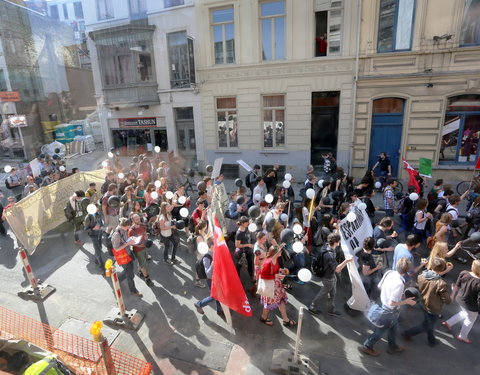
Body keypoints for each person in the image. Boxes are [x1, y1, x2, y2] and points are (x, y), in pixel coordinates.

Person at [359, 257, 416, 356]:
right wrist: (406, 301)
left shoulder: (389, 273)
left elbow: (380, 286)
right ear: (406, 271)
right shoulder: (400, 284)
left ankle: (393, 346)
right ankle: (367, 346)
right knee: (380, 331)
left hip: (383, 304)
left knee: (393, 327)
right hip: (389, 311)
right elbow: (391, 303)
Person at [402, 258, 452, 346]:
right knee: (427, 325)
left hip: (423, 302)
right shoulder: (441, 283)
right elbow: (447, 301)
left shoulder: (422, 275)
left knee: (429, 323)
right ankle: (407, 333)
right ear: (442, 269)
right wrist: (454, 291)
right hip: (433, 308)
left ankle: (431, 340)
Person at [308, 233, 353, 316]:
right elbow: (337, 269)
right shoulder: (330, 256)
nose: (340, 242)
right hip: (328, 278)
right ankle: (312, 307)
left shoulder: (326, 246)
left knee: (332, 293)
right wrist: (347, 261)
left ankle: (331, 309)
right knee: (323, 293)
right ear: (336, 242)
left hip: (329, 276)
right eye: (338, 241)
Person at [442, 260, 480, 344]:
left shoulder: (464, 273)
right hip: (472, 306)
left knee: (464, 313)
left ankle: (448, 323)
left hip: (460, 299)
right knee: (470, 320)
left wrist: (453, 294)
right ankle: (462, 336)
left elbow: (457, 285)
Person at [259, 246, 297, 327]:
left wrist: (280, 270)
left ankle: (285, 320)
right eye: (279, 251)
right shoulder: (268, 262)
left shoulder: (274, 259)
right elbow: (262, 276)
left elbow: (273, 270)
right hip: (271, 287)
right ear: (275, 253)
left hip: (276, 285)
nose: (281, 253)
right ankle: (264, 317)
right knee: (269, 304)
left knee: (280, 301)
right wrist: (277, 276)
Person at [110, 218, 142, 297]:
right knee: (130, 275)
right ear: (123, 226)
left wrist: (130, 239)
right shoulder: (116, 234)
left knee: (128, 271)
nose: (129, 228)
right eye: (128, 227)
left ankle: (118, 279)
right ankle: (133, 291)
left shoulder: (123, 230)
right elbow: (116, 249)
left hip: (128, 253)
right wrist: (128, 243)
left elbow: (125, 240)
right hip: (123, 256)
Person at [194, 238, 222, 316]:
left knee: (217, 295)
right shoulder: (207, 257)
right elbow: (208, 273)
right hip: (211, 280)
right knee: (215, 296)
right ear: (212, 246)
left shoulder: (214, 252)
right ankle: (199, 304)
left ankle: (219, 310)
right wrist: (213, 264)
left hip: (216, 278)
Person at [129, 214, 154, 287]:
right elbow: (131, 243)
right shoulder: (131, 231)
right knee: (144, 264)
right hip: (138, 250)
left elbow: (145, 233)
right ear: (133, 221)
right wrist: (139, 245)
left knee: (143, 261)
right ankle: (147, 278)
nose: (138, 219)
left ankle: (140, 270)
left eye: (138, 218)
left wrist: (146, 237)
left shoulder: (142, 225)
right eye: (136, 219)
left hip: (145, 247)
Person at [83, 205, 105, 270]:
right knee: (98, 250)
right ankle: (101, 265)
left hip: (99, 233)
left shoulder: (98, 214)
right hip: (93, 235)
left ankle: (96, 259)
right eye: (96, 207)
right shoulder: (88, 218)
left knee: (100, 247)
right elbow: (85, 229)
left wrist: (101, 226)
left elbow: (101, 222)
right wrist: (93, 229)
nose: (98, 208)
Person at [235, 216, 254, 281]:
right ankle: (237, 278)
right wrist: (248, 245)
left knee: (250, 263)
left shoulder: (246, 228)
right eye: (246, 222)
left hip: (248, 250)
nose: (248, 224)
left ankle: (251, 276)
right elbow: (237, 245)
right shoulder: (239, 233)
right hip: (241, 252)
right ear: (242, 223)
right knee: (239, 265)